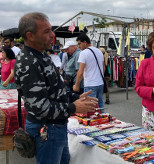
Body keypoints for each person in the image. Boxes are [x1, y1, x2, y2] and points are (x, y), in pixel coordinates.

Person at [15, 12, 97, 164]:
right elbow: (40, 107)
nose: (52, 34)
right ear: (30, 36)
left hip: (55, 127)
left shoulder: (41, 55)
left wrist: (75, 97)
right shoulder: (29, 62)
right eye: (46, 31)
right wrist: (73, 107)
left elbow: (55, 89)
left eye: (51, 29)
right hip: (46, 128)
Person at [74, 33, 105, 109]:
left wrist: (76, 85)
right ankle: (104, 120)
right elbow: (103, 68)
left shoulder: (83, 53)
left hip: (90, 84)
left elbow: (80, 72)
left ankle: (94, 121)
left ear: (85, 42)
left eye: (79, 44)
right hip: (100, 83)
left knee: (90, 107)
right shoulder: (99, 51)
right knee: (100, 105)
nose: (79, 46)